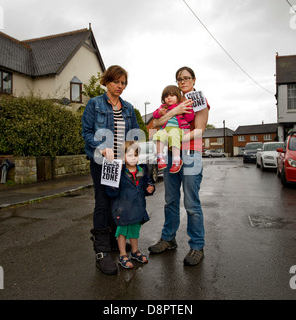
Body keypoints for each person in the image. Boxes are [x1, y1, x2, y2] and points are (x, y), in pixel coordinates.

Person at [82, 65, 141, 275]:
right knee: (102, 202)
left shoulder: (129, 109)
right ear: (107, 81)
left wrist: (133, 155)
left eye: (123, 83)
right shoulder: (95, 104)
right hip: (101, 162)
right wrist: (101, 146)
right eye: (116, 81)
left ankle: (115, 242)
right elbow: (86, 132)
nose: (120, 86)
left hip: (121, 164)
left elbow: (133, 135)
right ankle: (102, 251)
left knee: (118, 202)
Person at [148, 66, 210, 266]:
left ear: (194, 80)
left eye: (186, 78)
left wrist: (178, 136)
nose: (182, 81)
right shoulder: (172, 102)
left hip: (190, 154)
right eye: (179, 79)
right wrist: (173, 112)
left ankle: (197, 246)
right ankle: (169, 239)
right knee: (170, 200)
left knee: (191, 204)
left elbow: (200, 130)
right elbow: (155, 124)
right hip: (170, 154)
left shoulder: (199, 101)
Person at [106, 141, 155, 269]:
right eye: (129, 155)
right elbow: (111, 191)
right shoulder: (119, 171)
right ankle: (123, 255)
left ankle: (135, 251)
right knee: (122, 232)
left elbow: (147, 185)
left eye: (135, 155)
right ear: (123, 156)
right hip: (122, 209)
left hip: (137, 208)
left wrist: (150, 188)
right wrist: (111, 185)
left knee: (134, 232)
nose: (133, 158)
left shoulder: (142, 170)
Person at [152, 85, 195, 174]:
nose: (169, 98)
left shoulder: (181, 106)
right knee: (159, 134)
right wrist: (159, 113)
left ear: (178, 96)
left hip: (178, 130)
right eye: (166, 96)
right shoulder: (163, 107)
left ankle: (176, 160)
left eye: (172, 95)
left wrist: (189, 108)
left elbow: (189, 118)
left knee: (173, 133)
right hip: (165, 129)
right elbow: (155, 115)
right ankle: (160, 157)